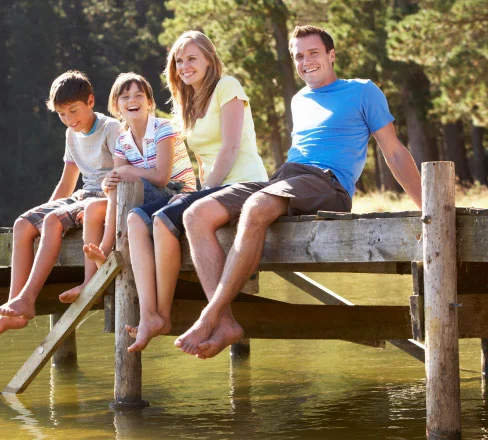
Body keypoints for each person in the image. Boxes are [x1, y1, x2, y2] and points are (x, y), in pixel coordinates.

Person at [175, 25, 423, 359]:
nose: (305, 62)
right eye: (298, 56)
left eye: (313, 53)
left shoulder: (363, 91)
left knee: (257, 206)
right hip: (286, 178)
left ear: (332, 55)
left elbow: (393, 152)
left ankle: (209, 314)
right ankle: (227, 324)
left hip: (328, 182)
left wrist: (429, 208)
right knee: (196, 214)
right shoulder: (299, 99)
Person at [123, 30, 268, 352]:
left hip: (244, 184)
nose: (184, 65)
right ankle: (152, 315)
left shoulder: (227, 87)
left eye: (191, 58)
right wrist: (189, 192)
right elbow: (196, 160)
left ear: (208, 60)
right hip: (212, 189)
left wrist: (201, 195)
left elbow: (230, 148)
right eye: (178, 60)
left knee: (164, 220)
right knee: (136, 219)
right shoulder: (185, 101)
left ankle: (199, 318)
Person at [0, 70, 121, 339]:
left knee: (52, 221)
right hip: (82, 195)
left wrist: (53, 220)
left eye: (73, 110)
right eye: (62, 114)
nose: (69, 120)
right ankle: (16, 307)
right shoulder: (72, 134)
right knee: (22, 224)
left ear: (91, 101)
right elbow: (67, 182)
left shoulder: (110, 129)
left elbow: (121, 177)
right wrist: (45, 217)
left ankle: (28, 299)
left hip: (105, 197)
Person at [58, 72, 196, 303]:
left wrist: (125, 174)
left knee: (120, 184)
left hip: (177, 195)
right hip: (145, 195)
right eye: (125, 97)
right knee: (93, 208)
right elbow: (116, 179)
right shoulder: (123, 140)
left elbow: (162, 178)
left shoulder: (163, 128)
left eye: (139, 95)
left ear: (150, 103)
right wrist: (107, 182)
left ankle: (105, 248)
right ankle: (88, 280)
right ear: (116, 106)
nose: (132, 101)